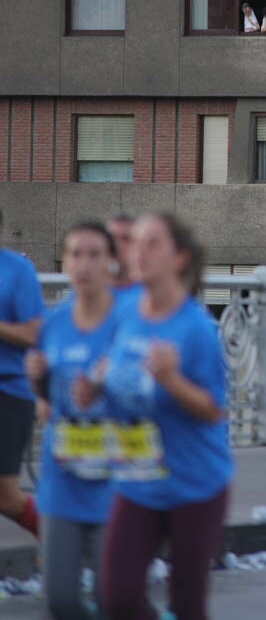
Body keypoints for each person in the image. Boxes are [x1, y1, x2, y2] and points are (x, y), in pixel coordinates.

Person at [81, 213, 233, 620]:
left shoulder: (195, 328)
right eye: (137, 243)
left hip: (194, 485)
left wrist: (171, 380)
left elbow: (213, 408)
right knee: (118, 599)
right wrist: (93, 386)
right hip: (138, 481)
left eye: (153, 244)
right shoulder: (124, 312)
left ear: (179, 258)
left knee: (186, 605)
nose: (138, 253)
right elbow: (113, 365)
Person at [27, 221, 119, 620]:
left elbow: (150, 400)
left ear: (111, 263)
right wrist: (38, 386)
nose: (84, 264)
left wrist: (108, 387)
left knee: (112, 599)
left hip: (114, 481)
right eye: (76, 254)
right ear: (65, 262)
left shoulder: (126, 323)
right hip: (62, 480)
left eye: (94, 254)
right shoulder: (54, 324)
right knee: (61, 601)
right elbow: (46, 404)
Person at [0, 208, 44, 539]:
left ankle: (64, 544)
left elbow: (34, 334)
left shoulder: (18, 271)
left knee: (7, 497)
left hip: (9, 391)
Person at [106, 213, 140, 293]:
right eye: (111, 237)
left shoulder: (150, 295)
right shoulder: (87, 292)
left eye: (125, 239)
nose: (115, 244)